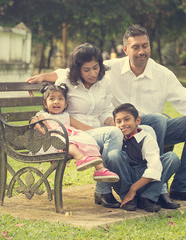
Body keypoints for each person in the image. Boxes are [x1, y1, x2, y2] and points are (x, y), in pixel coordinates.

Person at [27, 25, 186, 207]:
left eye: (145, 46)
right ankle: (157, 187)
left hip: (147, 128)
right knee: (157, 120)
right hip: (123, 128)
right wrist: (45, 76)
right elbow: (77, 69)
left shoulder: (162, 74)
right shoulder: (110, 68)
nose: (141, 51)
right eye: (135, 47)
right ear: (125, 49)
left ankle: (182, 187)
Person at [28, 43, 124, 208]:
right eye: (86, 70)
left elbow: (106, 110)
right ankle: (104, 190)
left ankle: (129, 187)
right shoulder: (67, 80)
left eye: (96, 67)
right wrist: (42, 76)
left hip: (97, 131)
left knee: (118, 132)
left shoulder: (105, 82)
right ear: (77, 69)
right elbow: (60, 74)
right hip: (74, 134)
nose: (93, 73)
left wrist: (111, 121)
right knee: (114, 134)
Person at [35, 83, 119, 182]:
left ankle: (100, 169)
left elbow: (83, 127)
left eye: (60, 99)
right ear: (45, 104)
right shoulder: (43, 116)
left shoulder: (66, 115)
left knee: (88, 140)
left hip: (69, 136)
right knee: (69, 141)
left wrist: (98, 130)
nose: (56, 102)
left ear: (66, 103)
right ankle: (80, 158)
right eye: (52, 99)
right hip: (54, 140)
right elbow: (43, 129)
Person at [105, 103, 180, 212]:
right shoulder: (115, 138)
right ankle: (129, 198)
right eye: (119, 121)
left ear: (137, 121)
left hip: (146, 180)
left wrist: (133, 189)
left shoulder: (146, 138)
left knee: (172, 158)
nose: (123, 124)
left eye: (127, 119)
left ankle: (147, 197)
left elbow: (154, 168)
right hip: (126, 178)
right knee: (113, 155)